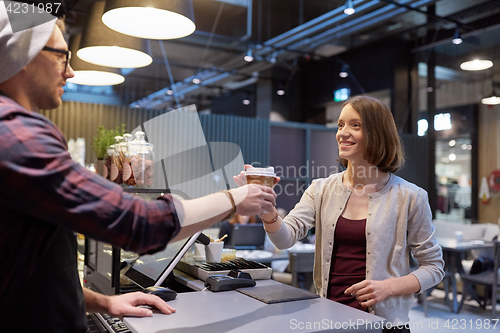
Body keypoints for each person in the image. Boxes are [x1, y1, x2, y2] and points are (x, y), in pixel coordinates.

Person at [0, 12, 277, 332]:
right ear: (21, 54)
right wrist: (235, 197)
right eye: (62, 56)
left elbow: (37, 270)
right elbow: (140, 224)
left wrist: (104, 302)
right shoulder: (19, 133)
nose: (71, 71)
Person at [236, 96, 445, 332]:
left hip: (385, 324)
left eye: (355, 125)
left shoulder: (410, 196)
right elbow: (285, 238)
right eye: (340, 125)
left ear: (378, 133)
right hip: (330, 318)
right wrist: (267, 208)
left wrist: (389, 287)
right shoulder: (321, 188)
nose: (343, 133)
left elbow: (434, 268)